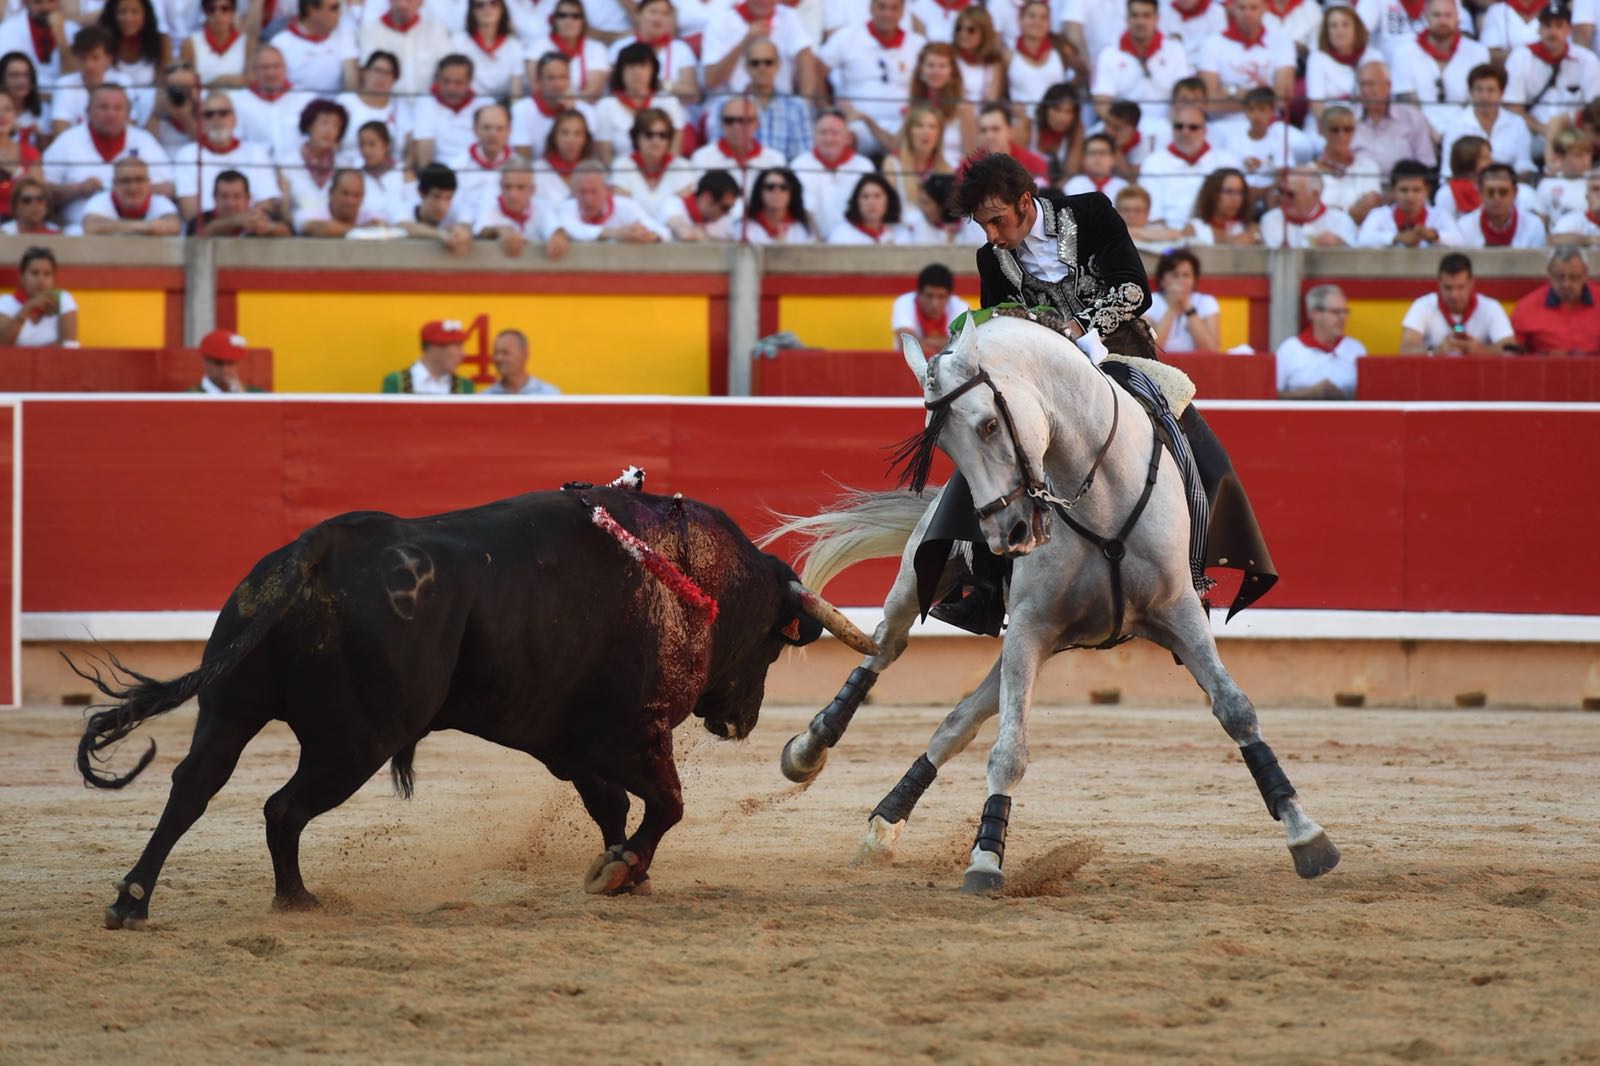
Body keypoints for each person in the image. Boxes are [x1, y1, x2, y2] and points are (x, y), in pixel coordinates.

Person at [928, 151, 1276, 632]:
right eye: (982, 225)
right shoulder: (992, 259)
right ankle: (982, 587)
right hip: (1051, 384)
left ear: (1025, 202)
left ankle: (1192, 577)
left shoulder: (1089, 212)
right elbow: (1005, 326)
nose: (991, 235)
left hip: (1123, 358)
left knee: (1199, 452)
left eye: (997, 220)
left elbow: (1134, 290)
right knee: (989, 451)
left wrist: (1075, 329)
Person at [42, 83, 174, 229]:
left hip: (142, 228)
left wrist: (131, 188)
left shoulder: (144, 141)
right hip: (79, 230)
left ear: (128, 113)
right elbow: (42, 191)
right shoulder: (66, 141)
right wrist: (77, 189)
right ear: (88, 111)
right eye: (103, 107)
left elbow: (168, 188)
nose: (111, 114)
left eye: (118, 108)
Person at [816, 0, 923, 155]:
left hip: (901, 125)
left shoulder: (917, 44)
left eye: (894, 8)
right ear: (871, 7)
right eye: (882, 7)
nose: (887, 14)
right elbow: (818, 71)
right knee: (838, 139)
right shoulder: (847, 37)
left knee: (919, 137)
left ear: (902, 11)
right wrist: (829, 108)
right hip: (857, 123)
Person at [1391, 0, 1490, 141]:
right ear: (1425, 17)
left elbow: (1478, 101)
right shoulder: (1403, 53)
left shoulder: (1478, 52)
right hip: (1419, 132)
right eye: (1436, 15)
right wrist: (1432, 135)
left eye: (1448, 15)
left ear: (1457, 17)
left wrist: (1457, 134)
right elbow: (1409, 105)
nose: (1443, 20)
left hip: (1467, 130)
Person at [1503, 1, 1600, 145]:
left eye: (1559, 26)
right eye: (1547, 26)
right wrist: (1545, 130)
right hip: (1531, 135)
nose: (1552, 32)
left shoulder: (1587, 60)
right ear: (1539, 29)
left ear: (1569, 30)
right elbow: (1513, 107)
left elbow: (1594, 106)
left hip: (1576, 137)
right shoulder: (1520, 57)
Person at [173, 90, 277, 219]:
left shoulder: (256, 152)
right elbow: (189, 211)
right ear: (200, 121)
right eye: (209, 114)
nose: (217, 119)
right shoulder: (187, 154)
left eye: (223, 113)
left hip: (250, 231)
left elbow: (267, 204)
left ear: (234, 119)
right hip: (207, 233)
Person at [1136, 104, 1239, 229]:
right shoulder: (1152, 162)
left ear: (1205, 131)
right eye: (1179, 126)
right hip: (1167, 237)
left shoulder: (1227, 161)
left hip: (1217, 234)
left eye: (1193, 127)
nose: (1185, 132)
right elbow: (1154, 217)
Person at [1092, 0, 1192, 126]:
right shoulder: (1109, 54)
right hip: (1121, 127)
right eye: (1135, 16)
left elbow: (1184, 96)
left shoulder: (1175, 50)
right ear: (1127, 19)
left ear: (1156, 19)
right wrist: (1121, 128)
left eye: (1146, 16)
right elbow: (1102, 103)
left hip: (1165, 125)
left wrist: (1170, 125)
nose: (1140, 22)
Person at [1399, 253, 1517, 355]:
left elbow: (1511, 349)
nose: (1454, 295)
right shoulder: (1423, 305)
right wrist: (1436, 351)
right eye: (1448, 288)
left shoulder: (1490, 307)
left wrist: (1481, 350)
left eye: (1460, 288)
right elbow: (1405, 349)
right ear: (1439, 284)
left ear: (1471, 284)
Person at [1439, 62, 1535, 177]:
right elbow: (1448, 171)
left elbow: (1523, 165)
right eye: (1479, 90)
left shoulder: (1517, 123)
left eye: (1490, 90)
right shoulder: (1455, 124)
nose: (1484, 96)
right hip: (1468, 187)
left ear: (1501, 93)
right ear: (1471, 92)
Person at [1274, 284, 1365, 399]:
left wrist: (1343, 396)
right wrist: (1309, 394)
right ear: (1314, 314)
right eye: (1335, 312)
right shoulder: (1290, 349)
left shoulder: (1356, 349)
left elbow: (1370, 396)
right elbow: (1272, 395)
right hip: (1300, 416)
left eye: (1345, 311)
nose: (1343, 317)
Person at [553, 158, 671, 243]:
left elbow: (664, 232)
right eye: (582, 192)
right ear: (573, 191)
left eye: (593, 191)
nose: (588, 198)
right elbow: (573, 230)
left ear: (606, 190)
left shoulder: (625, 206)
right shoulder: (566, 208)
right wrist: (617, 234)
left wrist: (648, 236)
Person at [1351, 60, 1438, 174]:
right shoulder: (1347, 119)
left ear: (1388, 86)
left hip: (1402, 188)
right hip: (1358, 188)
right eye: (1363, 85)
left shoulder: (1412, 118)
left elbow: (1426, 164)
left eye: (1372, 84)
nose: (1367, 91)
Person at [1511, 246, 1600, 355]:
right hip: (1545, 370)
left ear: (1585, 274)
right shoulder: (1526, 307)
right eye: (1560, 277)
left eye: (1574, 277)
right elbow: (1512, 355)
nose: (1566, 284)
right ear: (1549, 273)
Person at [1304, 3, 1381, 130]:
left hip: (1366, 125)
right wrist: (1333, 131)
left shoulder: (1373, 56)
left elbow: (1379, 100)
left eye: (1345, 24)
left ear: (1356, 28)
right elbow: (1316, 105)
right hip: (1326, 128)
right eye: (1333, 26)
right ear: (1326, 31)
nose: (1340, 30)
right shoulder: (1317, 58)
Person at [687, 96, 784, 196]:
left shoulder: (775, 159)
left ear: (756, 124)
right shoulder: (702, 157)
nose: (736, 126)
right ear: (721, 123)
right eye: (729, 120)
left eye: (743, 120)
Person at [1355, 158, 1464, 247]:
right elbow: (1363, 240)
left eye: (1416, 190)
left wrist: (1433, 235)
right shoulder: (1379, 214)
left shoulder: (1439, 215)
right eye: (1404, 190)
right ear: (1393, 190)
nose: (1410, 196)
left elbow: (1460, 241)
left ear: (1427, 190)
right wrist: (1397, 237)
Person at [357, 0, 452, 100]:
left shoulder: (436, 30)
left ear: (421, 2)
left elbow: (448, 72)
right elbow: (367, 78)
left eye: (409, 0)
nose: (402, 4)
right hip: (386, 106)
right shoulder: (369, 31)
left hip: (428, 107)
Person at [743, 36, 813, 162]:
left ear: (778, 65)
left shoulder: (796, 106)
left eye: (768, 62)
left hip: (783, 179)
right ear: (746, 66)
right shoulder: (728, 105)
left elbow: (804, 156)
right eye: (755, 63)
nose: (762, 68)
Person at [78, 155, 183, 234]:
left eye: (139, 180)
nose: (133, 187)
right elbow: (90, 226)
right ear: (114, 184)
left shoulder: (159, 201)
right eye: (125, 181)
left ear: (148, 183)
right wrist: (147, 227)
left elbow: (173, 226)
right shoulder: (100, 201)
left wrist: (115, 227)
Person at [271, 0, 358, 97]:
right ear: (312, 11)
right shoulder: (280, 44)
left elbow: (352, 86)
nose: (339, 13)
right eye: (334, 8)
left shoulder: (343, 34)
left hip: (335, 109)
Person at [1144, 248, 1221, 352]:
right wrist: (1172, 309)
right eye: (1175, 275)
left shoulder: (1206, 302)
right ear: (1162, 280)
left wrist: (1187, 308)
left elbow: (1211, 349)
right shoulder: (1149, 302)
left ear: (1194, 280)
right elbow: (1150, 349)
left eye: (1186, 275)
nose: (1181, 281)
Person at [1456, 162, 1548, 247]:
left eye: (1503, 192)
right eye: (1490, 192)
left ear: (1514, 193)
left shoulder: (1533, 226)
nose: (1497, 198)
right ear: (1480, 193)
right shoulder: (1464, 226)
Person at [412, 54, 480, 168]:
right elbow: (424, 143)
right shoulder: (425, 101)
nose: (451, 88)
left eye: (458, 82)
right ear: (437, 78)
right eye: (446, 81)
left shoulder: (485, 103)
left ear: (469, 81)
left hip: (475, 170)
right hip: (440, 172)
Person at [1261, 168, 1358, 247]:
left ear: (1315, 195)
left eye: (1290, 194)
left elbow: (1355, 262)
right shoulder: (1271, 220)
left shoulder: (1341, 220)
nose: (1283, 199)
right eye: (1281, 192)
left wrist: (1340, 245)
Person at [0, 245, 75, 346]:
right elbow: (2, 344)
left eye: (47, 274)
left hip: (53, 361)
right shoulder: (7, 302)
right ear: (21, 277)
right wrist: (27, 308)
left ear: (54, 278)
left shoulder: (62, 299)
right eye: (34, 273)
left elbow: (69, 345)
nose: (41, 280)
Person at [450, 0, 525, 100]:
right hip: (468, 103)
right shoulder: (458, 42)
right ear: (472, 11)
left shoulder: (514, 46)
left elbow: (516, 92)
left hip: (502, 106)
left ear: (502, 9)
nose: (487, 9)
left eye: (494, 3)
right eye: (479, 5)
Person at [186, 169, 292, 236]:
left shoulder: (258, 217)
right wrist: (236, 221)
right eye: (224, 196)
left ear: (248, 198)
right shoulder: (201, 219)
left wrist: (267, 227)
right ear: (214, 197)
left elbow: (288, 231)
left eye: (237, 197)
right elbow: (198, 235)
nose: (230, 203)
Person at [381, 318, 476, 393]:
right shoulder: (396, 382)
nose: (463, 354)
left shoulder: (464, 386)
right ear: (434, 348)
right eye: (457, 346)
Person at [890, 262, 967, 352]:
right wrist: (947, 343)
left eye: (941, 297)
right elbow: (906, 345)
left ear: (949, 296)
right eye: (929, 296)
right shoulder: (904, 302)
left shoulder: (959, 306)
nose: (934, 304)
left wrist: (921, 343)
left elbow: (963, 345)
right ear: (918, 293)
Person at [401, 161, 473, 252]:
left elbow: (465, 226)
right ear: (421, 194)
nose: (442, 205)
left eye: (448, 198)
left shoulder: (458, 209)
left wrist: (462, 232)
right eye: (436, 197)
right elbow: (405, 226)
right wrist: (443, 235)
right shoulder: (404, 207)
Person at [827, 171, 916, 244]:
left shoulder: (901, 234)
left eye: (877, 196)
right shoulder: (842, 234)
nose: (871, 202)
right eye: (865, 196)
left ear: (888, 200)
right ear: (856, 202)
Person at [1184, 166, 1260, 245]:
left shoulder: (1252, 230)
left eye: (1240, 192)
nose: (1235, 198)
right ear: (1212, 194)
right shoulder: (1195, 229)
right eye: (1228, 192)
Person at [662, 168, 741, 241]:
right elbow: (685, 234)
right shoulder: (673, 204)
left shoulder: (723, 222)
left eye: (730, 208)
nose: (727, 213)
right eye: (724, 208)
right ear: (706, 197)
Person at [740, 165, 811, 243]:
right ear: (759, 192)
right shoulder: (742, 228)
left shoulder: (804, 228)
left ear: (792, 193)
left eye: (784, 187)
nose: (777, 192)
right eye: (770, 187)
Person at [481, 328, 560, 394]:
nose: (498, 358)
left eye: (505, 353)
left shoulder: (548, 394)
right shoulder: (485, 398)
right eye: (496, 353)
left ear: (524, 355)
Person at [189, 328, 266, 393]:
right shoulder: (190, 397)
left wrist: (242, 398)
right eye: (218, 363)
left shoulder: (256, 395)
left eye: (230, 363)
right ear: (205, 362)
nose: (225, 369)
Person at [1062, 133, 1128, 203]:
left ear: (1113, 158)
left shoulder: (1123, 187)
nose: (1097, 158)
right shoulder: (1073, 185)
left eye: (1102, 153)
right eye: (1092, 153)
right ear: (1083, 159)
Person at [1551, 171, 1600, 243]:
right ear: (1587, 196)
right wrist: (1591, 239)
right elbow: (1554, 240)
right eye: (1595, 189)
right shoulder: (1572, 220)